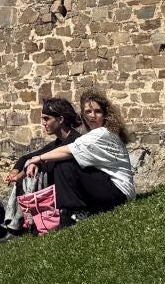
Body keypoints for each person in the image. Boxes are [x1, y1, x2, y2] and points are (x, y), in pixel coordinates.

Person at [13, 90, 136, 219]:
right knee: (66, 161)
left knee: (64, 164)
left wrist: (38, 159)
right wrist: (32, 162)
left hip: (119, 193)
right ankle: (72, 212)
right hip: (118, 192)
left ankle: (71, 214)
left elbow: (67, 150)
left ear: (105, 115)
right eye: (88, 112)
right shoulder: (103, 133)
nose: (93, 116)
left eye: (98, 111)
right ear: (83, 115)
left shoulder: (101, 133)